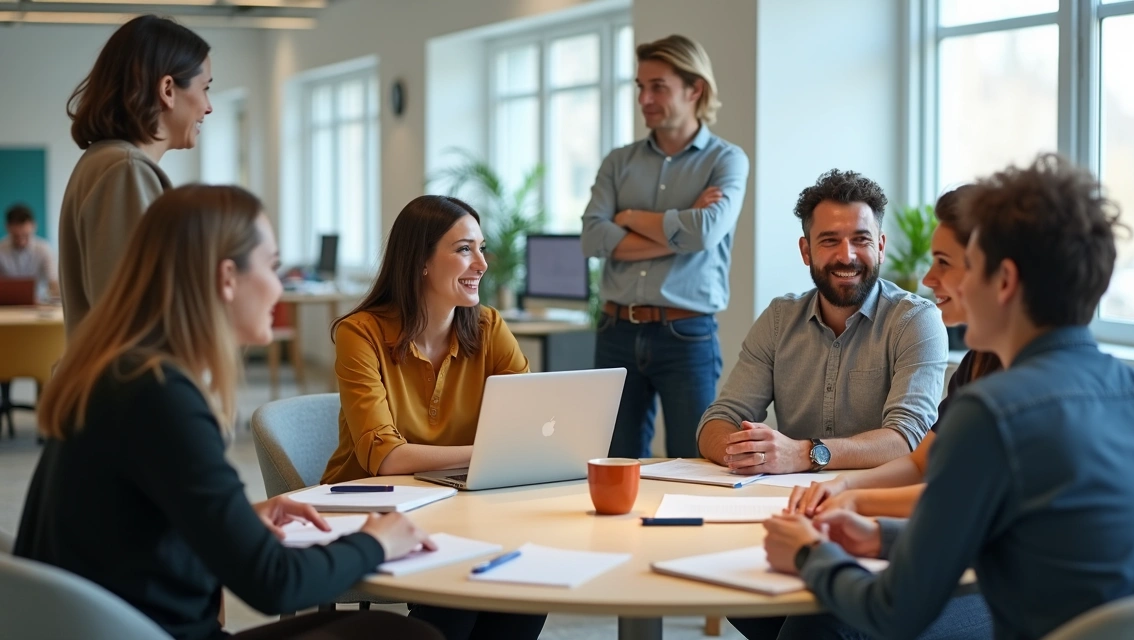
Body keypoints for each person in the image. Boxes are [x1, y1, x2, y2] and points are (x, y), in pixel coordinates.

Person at [763, 154, 1134, 640]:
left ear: (1004, 282)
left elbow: (893, 610)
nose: (939, 283)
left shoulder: (993, 414)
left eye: (966, 266)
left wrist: (810, 553)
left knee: (814, 625)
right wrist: (881, 535)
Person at [14, 185, 442, 640]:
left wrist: (238, 518)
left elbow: (130, 525)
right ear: (227, 278)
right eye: (273, 267)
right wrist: (377, 542)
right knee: (406, 635)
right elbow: (274, 583)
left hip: (110, 621)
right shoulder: (161, 397)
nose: (280, 287)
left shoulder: (120, 371)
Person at [320, 194, 546, 640]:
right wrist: (492, 453)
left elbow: (533, 422)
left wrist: (513, 449)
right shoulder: (360, 333)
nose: (481, 263)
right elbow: (384, 458)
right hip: (376, 506)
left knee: (526, 582)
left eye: (481, 248)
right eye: (464, 249)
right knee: (458, 591)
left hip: (463, 503)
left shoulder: (488, 328)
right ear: (421, 261)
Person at [697, 169, 947, 476]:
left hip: (876, 503)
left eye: (861, 239)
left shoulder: (915, 321)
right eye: (830, 241)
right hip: (787, 499)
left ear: (880, 247)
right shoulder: (778, 319)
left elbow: (907, 438)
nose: (847, 256)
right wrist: (745, 452)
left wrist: (805, 454)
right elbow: (719, 419)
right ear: (806, 251)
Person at [788, 185, 1003, 519]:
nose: (929, 278)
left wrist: (857, 505)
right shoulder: (982, 359)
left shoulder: (1031, 382)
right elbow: (922, 465)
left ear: (1000, 275)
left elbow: (966, 499)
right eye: (830, 240)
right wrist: (844, 487)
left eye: (943, 263)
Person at [581, 34, 750, 458]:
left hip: (686, 335)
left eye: (658, 86)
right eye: (640, 86)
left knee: (694, 463)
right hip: (615, 331)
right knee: (613, 463)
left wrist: (632, 218)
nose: (644, 98)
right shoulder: (618, 162)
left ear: (695, 89)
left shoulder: (726, 160)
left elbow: (707, 232)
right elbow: (593, 238)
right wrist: (682, 224)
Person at [59, 15, 211, 336]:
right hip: (135, 385)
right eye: (205, 88)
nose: (208, 107)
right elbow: (137, 322)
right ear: (167, 89)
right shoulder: (125, 170)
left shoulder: (109, 162)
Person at [0, 203, 58, 298]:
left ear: (34, 226)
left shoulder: (43, 249)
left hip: (38, 303)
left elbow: (53, 280)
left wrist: (55, 292)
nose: (22, 242)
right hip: (6, 305)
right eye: (16, 237)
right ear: (8, 227)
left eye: (25, 235)